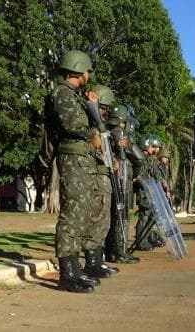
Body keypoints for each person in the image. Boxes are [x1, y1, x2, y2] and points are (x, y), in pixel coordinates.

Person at [51, 50, 102, 293]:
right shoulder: (61, 93)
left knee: (82, 212)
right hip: (73, 158)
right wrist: (91, 135)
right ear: (78, 68)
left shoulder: (76, 95)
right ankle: (67, 273)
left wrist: (92, 105)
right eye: (87, 70)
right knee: (73, 212)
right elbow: (71, 123)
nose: (89, 74)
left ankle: (74, 267)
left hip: (83, 158)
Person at [82, 84, 119, 277]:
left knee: (103, 222)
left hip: (103, 176)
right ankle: (92, 262)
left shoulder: (99, 125)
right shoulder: (90, 124)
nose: (104, 113)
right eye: (103, 108)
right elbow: (98, 147)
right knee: (96, 220)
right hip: (95, 176)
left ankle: (98, 260)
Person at [104, 104, 141, 264]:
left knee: (113, 215)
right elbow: (139, 157)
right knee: (122, 216)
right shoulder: (122, 135)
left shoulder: (106, 132)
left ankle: (110, 251)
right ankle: (120, 251)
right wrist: (137, 173)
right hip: (123, 177)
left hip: (110, 177)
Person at [134, 135, 165, 250]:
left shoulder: (152, 158)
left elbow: (156, 174)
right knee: (145, 216)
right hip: (144, 191)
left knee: (150, 215)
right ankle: (141, 241)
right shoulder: (142, 158)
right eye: (154, 147)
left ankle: (146, 239)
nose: (156, 150)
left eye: (157, 147)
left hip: (151, 191)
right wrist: (147, 186)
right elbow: (139, 175)